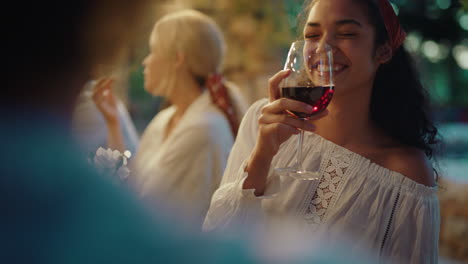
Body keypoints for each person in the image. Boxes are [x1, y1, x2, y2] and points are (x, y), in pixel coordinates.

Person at [203, 0, 440, 263]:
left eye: (347, 33)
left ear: (383, 51)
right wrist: (262, 156)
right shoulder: (263, 122)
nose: (323, 47)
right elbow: (215, 239)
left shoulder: (406, 173)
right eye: (312, 35)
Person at [92, 9, 248, 228]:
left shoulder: (204, 129)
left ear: (178, 59)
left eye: (153, 51)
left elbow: (145, 213)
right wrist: (113, 122)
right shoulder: (164, 120)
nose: (146, 62)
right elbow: (133, 183)